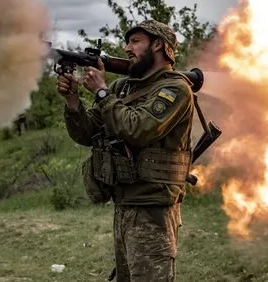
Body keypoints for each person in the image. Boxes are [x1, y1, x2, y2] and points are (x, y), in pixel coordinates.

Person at [56, 20, 195, 282]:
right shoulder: (123, 88)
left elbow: (139, 128)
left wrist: (100, 91)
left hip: (153, 210)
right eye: (127, 41)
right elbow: (87, 134)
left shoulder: (175, 89)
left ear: (158, 45)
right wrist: (73, 101)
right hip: (124, 205)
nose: (126, 48)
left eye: (135, 41)